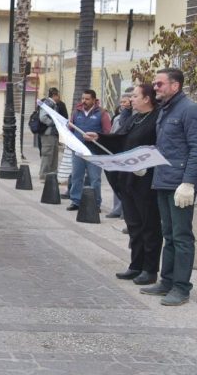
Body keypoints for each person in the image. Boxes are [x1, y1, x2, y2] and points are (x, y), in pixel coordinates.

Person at [140, 68, 197, 306]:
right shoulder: (166, 111)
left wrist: (188, 182)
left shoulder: (190, 110)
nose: (155, 87)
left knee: (181, 237)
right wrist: (146, 165)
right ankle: (167, 281)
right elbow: (164, 147)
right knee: (168, 235)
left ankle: (181, 288)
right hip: (164, 180)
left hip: (180, 184)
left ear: (175, 86)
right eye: (155, 84)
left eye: (159, 84)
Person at [84, 84, 162, 286]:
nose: (131, 99)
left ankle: (150, 269)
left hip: (147, 181)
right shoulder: (136, 118)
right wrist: (99, 138)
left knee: (149, 226)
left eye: (135, 96)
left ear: (147, 99)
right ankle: (136, 265)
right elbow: (121, 139)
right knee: (134, 225)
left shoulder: (157, 118)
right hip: (129, 180)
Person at [67, 89, 111, 211]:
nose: (84, 101)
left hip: (95, 152)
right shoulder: (76, 112)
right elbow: (70, 130)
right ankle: (76, 201)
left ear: (93, 100)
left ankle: (95, 203)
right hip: (78, 151)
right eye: (82, 98)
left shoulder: (102, 113)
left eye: (87, 99)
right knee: (76, 176)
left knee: (95, 179)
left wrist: (96, 137)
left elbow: (107, 132)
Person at [106, 93, 133, 219]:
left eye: (125, 102)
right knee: (117, 181)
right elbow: (112, 134)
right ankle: (117, 209)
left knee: (127, 184)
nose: (123, 104)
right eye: (121, 102)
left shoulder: (134, 117)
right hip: (116, 154)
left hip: (128, 155)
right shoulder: (117, 118)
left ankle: (126, 211)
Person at [38, 88, 61, 180]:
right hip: (48, 133)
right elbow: (42, 117)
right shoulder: (48, 103)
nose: (59, 97)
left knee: (54, 155)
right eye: (58, 95)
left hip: (53, 134)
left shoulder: (53, 104)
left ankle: (51, 175)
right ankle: (44, 175)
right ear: (54, 95)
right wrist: (53, 123)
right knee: (47, 154)